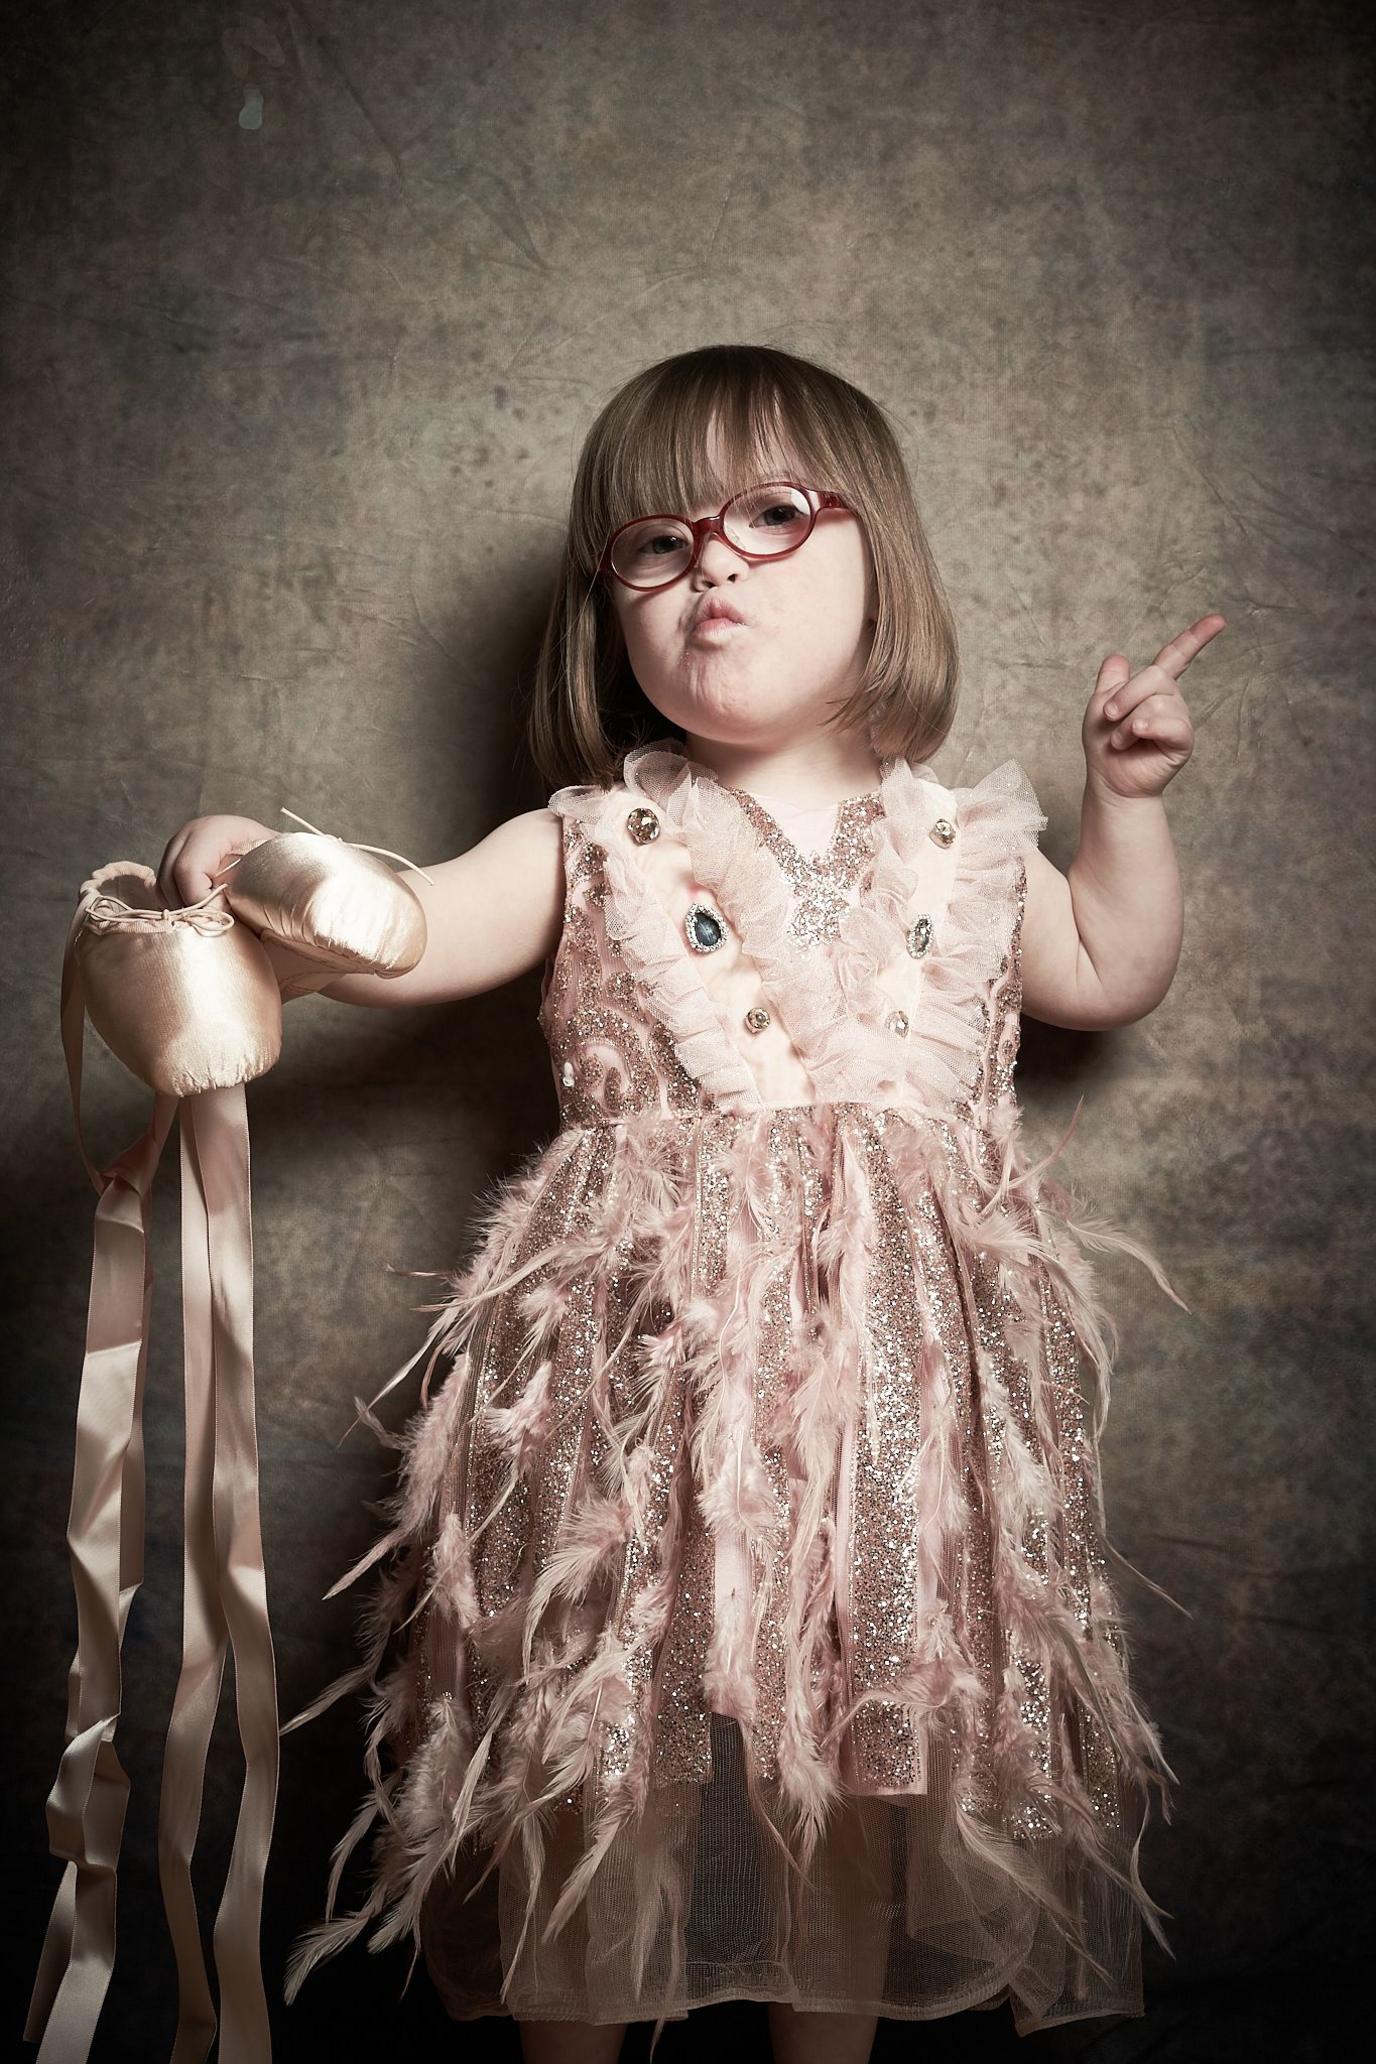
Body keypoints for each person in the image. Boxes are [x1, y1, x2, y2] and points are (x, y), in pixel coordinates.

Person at [158, 344, 1222, 2063]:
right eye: (653, 544)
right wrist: (264, 873)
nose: (709, 561)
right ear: (615, 609)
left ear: (890, 565)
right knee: (614, 1748)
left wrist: (1130, 806)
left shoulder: (968, 842)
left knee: (866, 1753)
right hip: (640, 1406)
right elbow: (407, 929)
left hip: (897, 1418)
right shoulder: (585, 839)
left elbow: (1111, 967)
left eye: (771, 514)